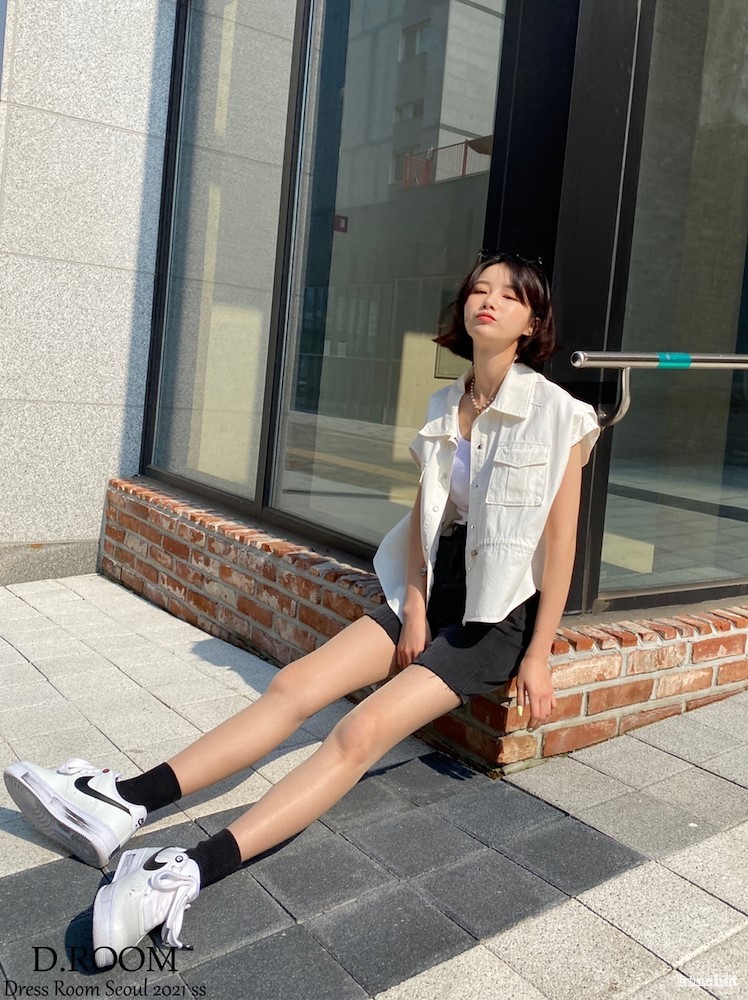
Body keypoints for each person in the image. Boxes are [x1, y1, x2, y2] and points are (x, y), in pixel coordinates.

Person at [4, 251, 600, 966]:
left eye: (510, 295)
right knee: (293, 686)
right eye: (479, 288)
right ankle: (123, 800)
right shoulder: (448, 404)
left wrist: (538, 655)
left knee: (360, 730)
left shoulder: (561, 415)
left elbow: (561, 546)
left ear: (533, 322)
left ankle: (181, 872)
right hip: (436, 587)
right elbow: (426, 519)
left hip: (496, 617)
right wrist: (413, 608)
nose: (489, 300)